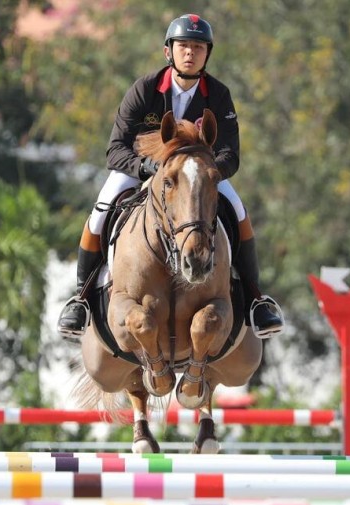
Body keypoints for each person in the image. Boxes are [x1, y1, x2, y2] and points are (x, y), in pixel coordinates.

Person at [56, 13, 283, 341]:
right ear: (169, 52)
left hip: (198, 176)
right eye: (183, 46)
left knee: (239, 212)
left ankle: (256, 300)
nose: (190, 52)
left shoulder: (218, 95)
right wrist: (146, 168)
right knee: (101, 211)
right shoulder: (144, 90)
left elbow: (230, 153)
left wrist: (206, 173)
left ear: (207, 54)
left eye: (198, 47)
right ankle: (81, 299)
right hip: (141, 172)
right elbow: (115, 150)